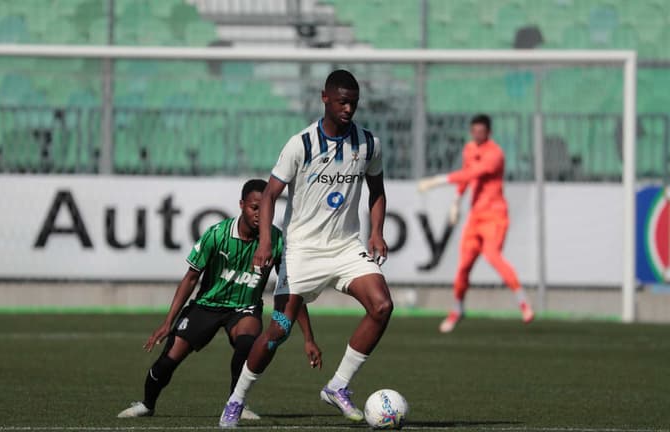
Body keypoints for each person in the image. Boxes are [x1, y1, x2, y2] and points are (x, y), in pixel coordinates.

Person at [219, 70, 393, 428]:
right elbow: (269, 195)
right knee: (278, 330)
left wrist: (376, 232)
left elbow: (377, 190)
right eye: (342, 101)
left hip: (345, 247)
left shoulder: (368, 144)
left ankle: (338, 387)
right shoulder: (301, 144)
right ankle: (236, 400)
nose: (349, 108)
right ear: (325, 98)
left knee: (382, 306)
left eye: (354, 103)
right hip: (302, 253)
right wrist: (266, 241)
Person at [117, 179, 322, 419]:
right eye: (254, 208)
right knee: (168, 360)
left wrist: (309, 338)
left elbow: (291, 290)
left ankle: (236, 404)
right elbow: (191, 278)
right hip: (206, 306)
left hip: (244, 308)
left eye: (265, 208)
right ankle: (147, 404)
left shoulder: (276, 242)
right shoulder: (217, 235)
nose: (259, 214)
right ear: (241, 205)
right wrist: (167, 322)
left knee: (247, 345)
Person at [417, 114, 535, 333]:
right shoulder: (469, 148)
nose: (477, 135)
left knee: (492, 255)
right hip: (475, 217)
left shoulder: (495, 153)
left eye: (481, 132)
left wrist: (437, 181)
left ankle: (523, 302)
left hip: (495, 215)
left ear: (488, 132)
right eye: (474, 131)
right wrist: (455, 201)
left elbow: (474, 172)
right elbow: (467, 178)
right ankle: (458, 309)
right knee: (463, 267)